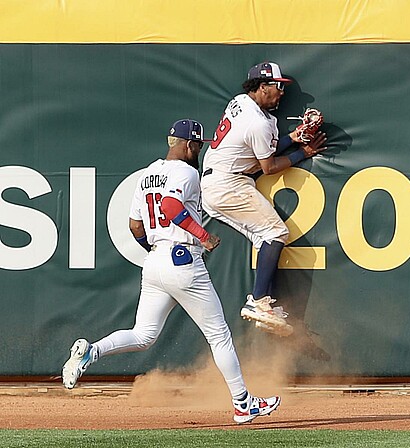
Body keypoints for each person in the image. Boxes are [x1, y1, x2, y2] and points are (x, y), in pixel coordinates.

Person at [62, 119, 281, 424]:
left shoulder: (148, 173)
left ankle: (91, 352)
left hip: (154, 261)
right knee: (219, 337)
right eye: (198, 145)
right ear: (188, 145)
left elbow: (136, 226)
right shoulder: (187, 172)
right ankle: (243, 403)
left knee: (144, 334)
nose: (200, 150)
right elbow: (170, 205)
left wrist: (156, 249)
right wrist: (202, 236)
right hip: (183, 259)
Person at [201, 61, 327, 334]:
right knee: (276, 232)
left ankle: (264, 305)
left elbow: (259, 149)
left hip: (217, 182)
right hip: (229, 183)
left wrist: (293, 136)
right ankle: (258, 302)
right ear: (261, 87)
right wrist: (301, 153)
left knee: (264, 238)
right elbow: (268, 166)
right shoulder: (258, 122)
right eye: (277, 86)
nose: (281, 92)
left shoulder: (240, 103)